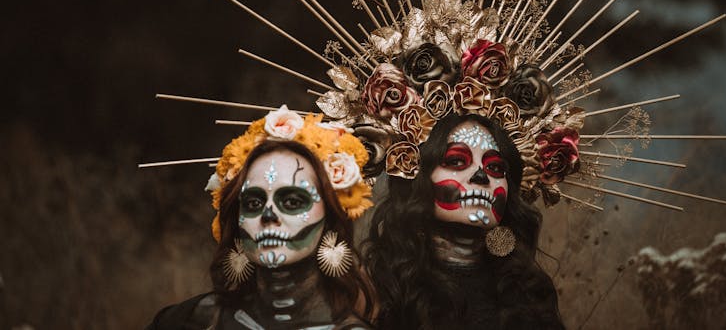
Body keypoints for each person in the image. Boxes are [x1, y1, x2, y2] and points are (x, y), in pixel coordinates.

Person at [147, 107, 376, 329]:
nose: (268, 215)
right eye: (253, 203)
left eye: (292, 202)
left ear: (331, 220)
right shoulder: (192, 321)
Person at [365, 113, 564, 329]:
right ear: (419, 178)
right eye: (456, 161)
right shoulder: (378, 288)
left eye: (495, 168)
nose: (481, 175)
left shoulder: (526, 291)